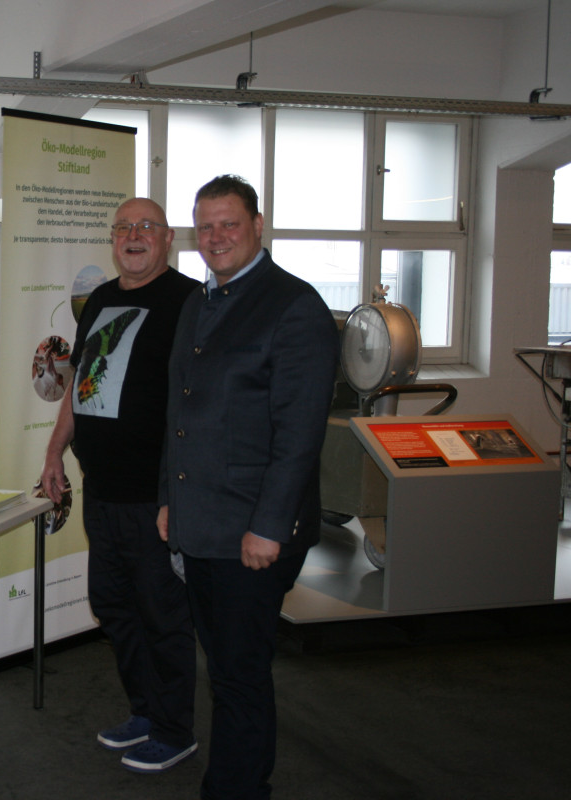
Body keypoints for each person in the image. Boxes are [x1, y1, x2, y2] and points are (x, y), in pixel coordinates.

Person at [157, 175, 338, 799]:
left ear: (258, 226)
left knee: (238, 675)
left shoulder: (294, 305)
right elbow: (179, 410)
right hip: (200, 521)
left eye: (228, 223)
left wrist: (270, 524)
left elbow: (299, 432)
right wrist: (167, 499)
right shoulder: (201, 300)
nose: (215, 237)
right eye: (204, 226)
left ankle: (234, 790)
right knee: (229, 672)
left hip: (252, 534)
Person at [40, 197, 200, 774]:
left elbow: (200, 404)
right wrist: (55, 450)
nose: (134, 236)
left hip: (153, 497)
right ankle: (146, 711)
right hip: (101, 487)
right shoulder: (103, 299)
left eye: (146, 227)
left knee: (163, 612)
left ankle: (175, 728)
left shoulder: (189, 302)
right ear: (114, 240)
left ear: (167, 238)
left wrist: (177, 494)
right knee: (114, 605)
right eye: (124, 228)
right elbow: (82, 382)